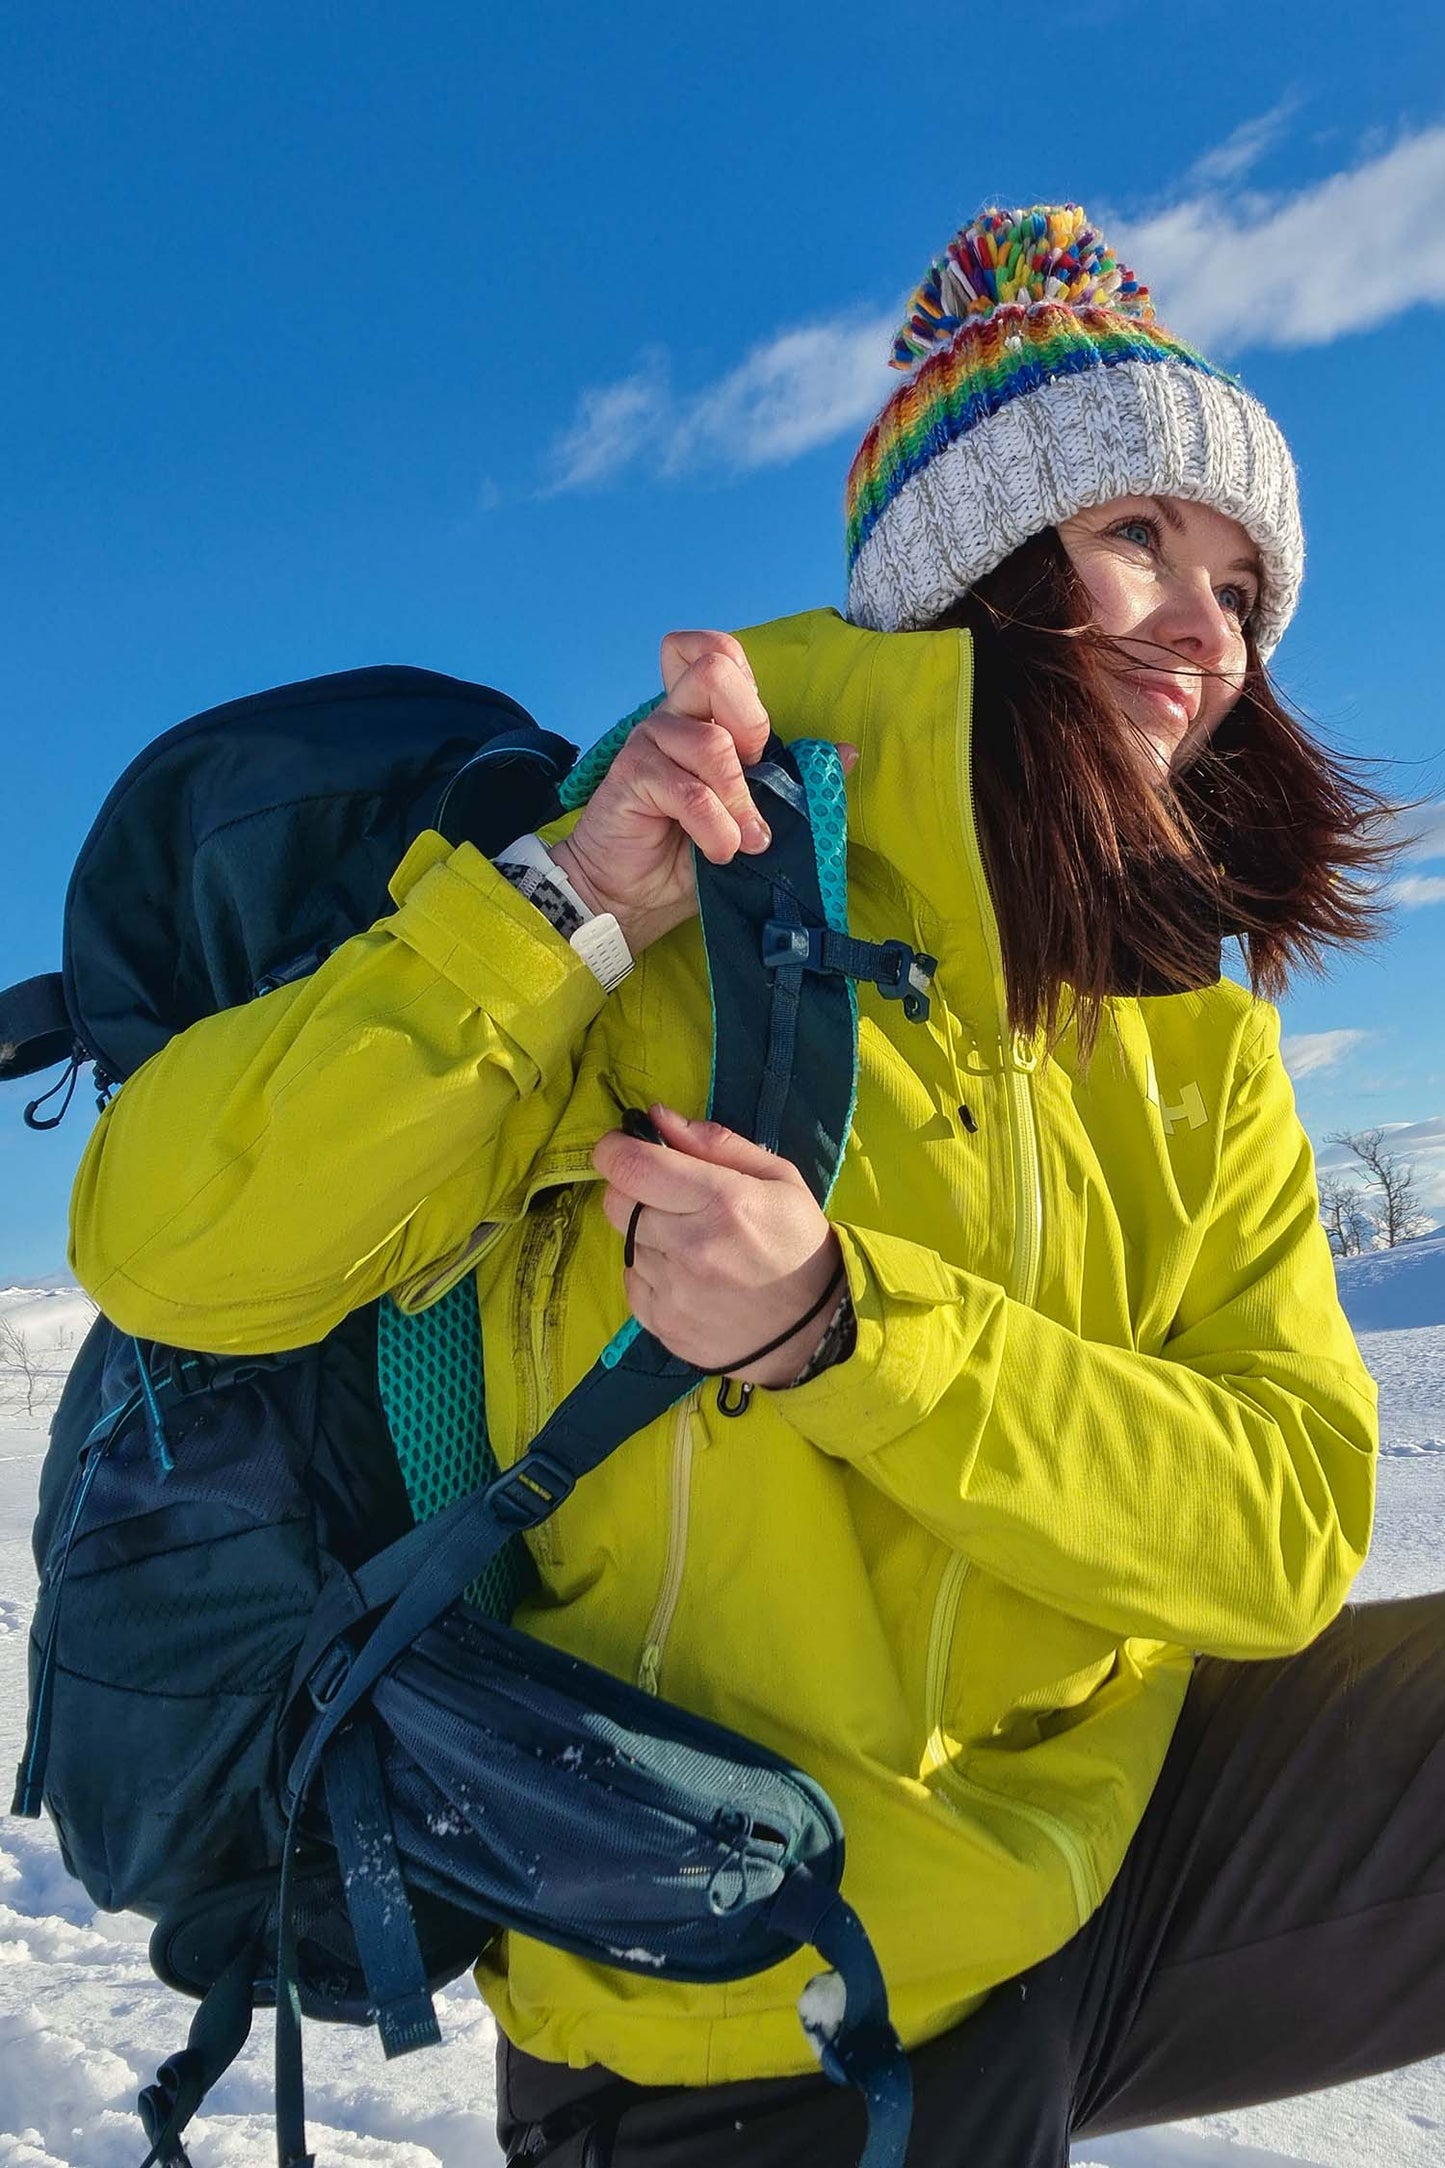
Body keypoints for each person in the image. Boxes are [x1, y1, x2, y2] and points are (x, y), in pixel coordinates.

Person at [70, 205, 1425, 2167]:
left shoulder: (1187, 1035)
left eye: (1243, 580)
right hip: (726, 1990)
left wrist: (847, 1328)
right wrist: (562, 913)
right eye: (1140, 535)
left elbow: (1289, 1519)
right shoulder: (679, 893)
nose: (1214, 626)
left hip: (1097, 1863)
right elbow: (175, 1247)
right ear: (977, 564)